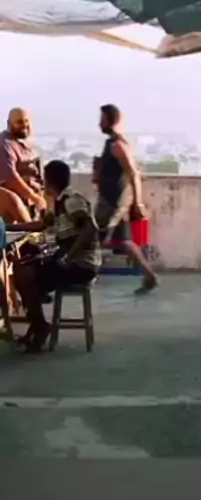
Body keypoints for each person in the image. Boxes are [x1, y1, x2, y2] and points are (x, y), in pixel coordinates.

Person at [10, 160, 101, 353]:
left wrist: (69, 257)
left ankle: (40, 327)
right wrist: (9, 227)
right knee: (24, 269)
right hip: (69, 261)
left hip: (80, 265)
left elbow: (90, 229)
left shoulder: (71, 200)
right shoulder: (60, 203)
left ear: (50, 180)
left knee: (24, 275)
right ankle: (37, 323)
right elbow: (40, 225)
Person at [94, 104, 157, 294]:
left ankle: (82, 276)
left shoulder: (118, 145)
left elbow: (133, 173)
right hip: (115, 201)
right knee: (125, 242)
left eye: (102, 120)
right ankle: (149, 276)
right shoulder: (113, 143)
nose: (99, 123)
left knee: (92, 238)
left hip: (112, 203)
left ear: (110, 120)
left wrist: (137, 202)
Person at [0, 108, 46, 220]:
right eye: (19, 122)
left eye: (26, 121)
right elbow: (10, 176)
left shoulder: (29, 143)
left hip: (33, 200)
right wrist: (32, 196)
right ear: (9, 124)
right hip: (17, 202)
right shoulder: (5, 144)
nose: (24, 125)